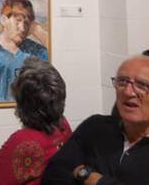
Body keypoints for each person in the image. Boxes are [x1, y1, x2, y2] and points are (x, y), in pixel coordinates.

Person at [42, 55, 149, 185]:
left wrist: (95, 180)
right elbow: (53, 176)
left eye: (142, 85)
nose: (127, 92)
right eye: (122, 81)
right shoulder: (94, 127)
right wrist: (88, 176)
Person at [0, 0, 48, 103]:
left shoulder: (35, 51)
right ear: (3, 20)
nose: (23, 28)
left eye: (27, 23)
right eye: (18, 21)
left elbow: (55, 53)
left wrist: (37, 30)